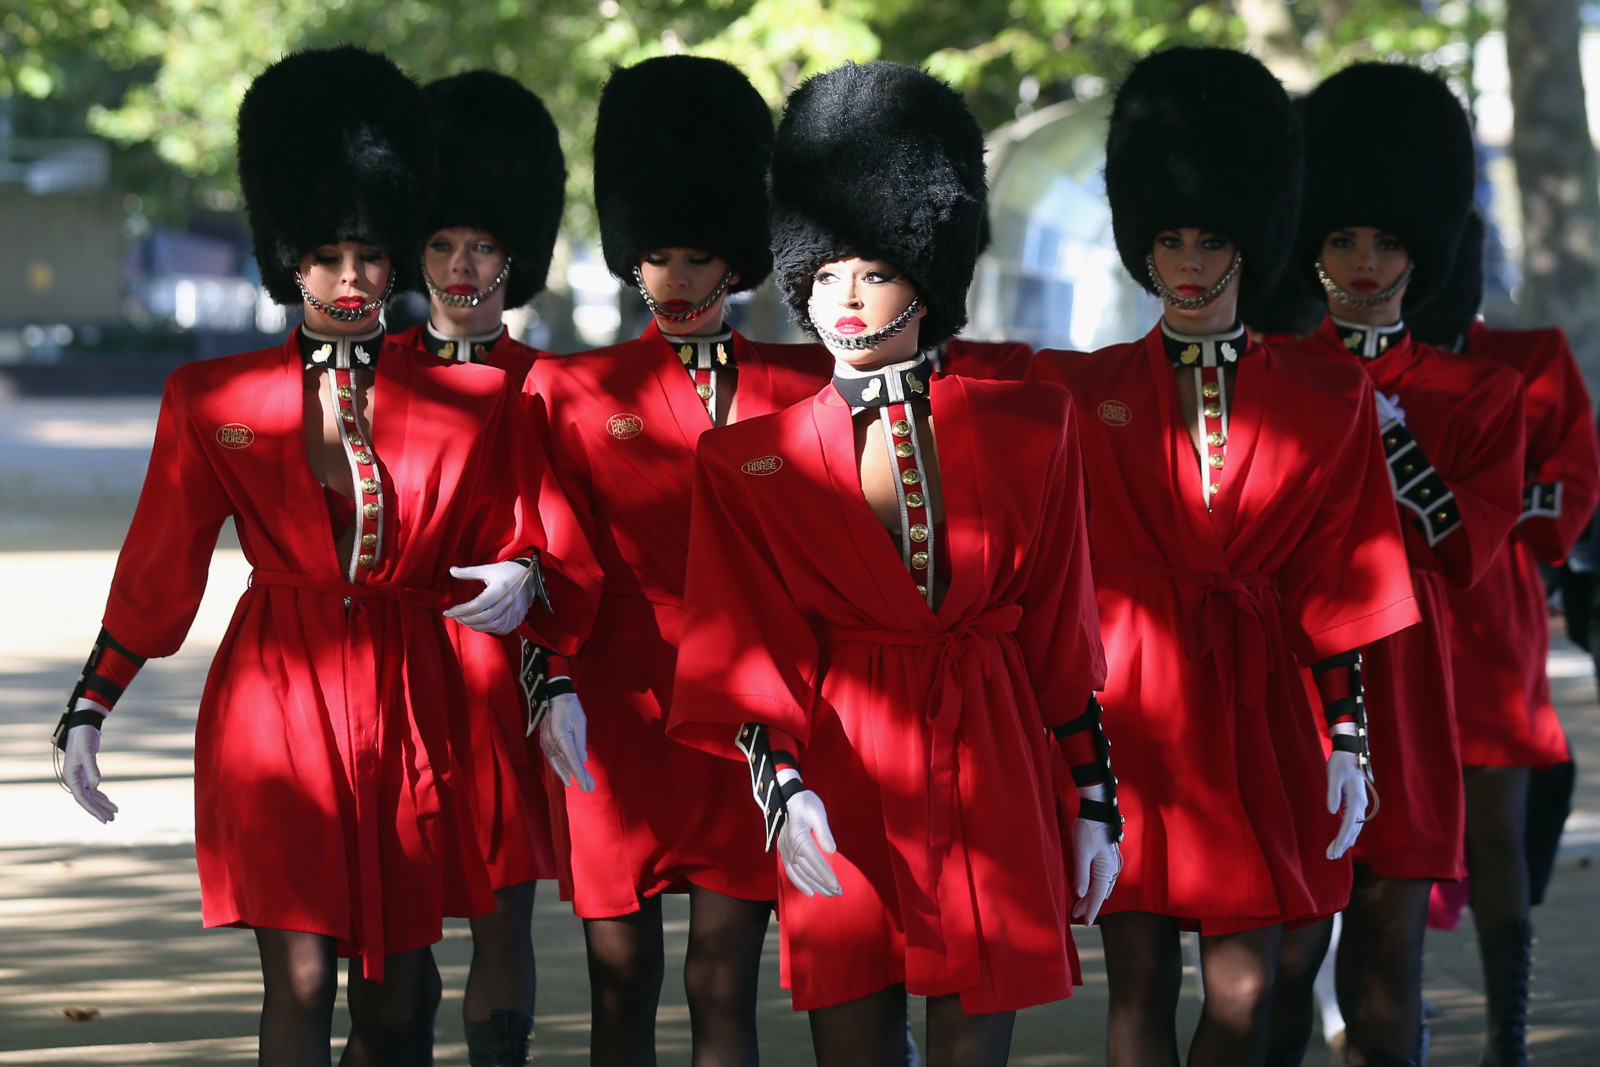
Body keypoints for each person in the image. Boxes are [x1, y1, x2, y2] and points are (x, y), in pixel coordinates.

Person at [51, 47, 588, 1066]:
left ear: (395, 258)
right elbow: (160, 566)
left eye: (370, 255)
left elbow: (528, 532)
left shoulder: (474, 398)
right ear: (287, 258)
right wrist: (91, 702)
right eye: (328, 255)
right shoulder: (208, 397)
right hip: (275, 695)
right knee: (296, 982)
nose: (352, 277)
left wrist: (534, 609)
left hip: (415, 689)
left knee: (395, 1004)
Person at [667, 59, 1118, 1067]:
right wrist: (782, 789)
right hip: (841, 758)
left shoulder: (1033, 425)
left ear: (929, 269)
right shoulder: (743, 459)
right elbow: (743, 644)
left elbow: (1058, 626)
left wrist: (1095, 798)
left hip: (995, 749)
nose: (844, 299)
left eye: (872, 270)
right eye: (822, 275)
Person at [1026, 48, 1421, 1066]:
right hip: (1131, 713)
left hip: (1263, 715)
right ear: (1140, 248)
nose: (1190, 261)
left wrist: (1349, 737)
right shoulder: (1074, 389)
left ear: (1251, 240)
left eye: (1210, 238)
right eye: (1168, 239)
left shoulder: (1325, 399)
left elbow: (1341, 576)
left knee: (1246, 993)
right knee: (1141, 986)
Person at [525, 55, 830, 1067]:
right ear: (628, 259)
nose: (679, 279)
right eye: (656, 256)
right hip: (618, 700)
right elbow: (548, 538)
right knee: (620, 985)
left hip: (749, 701)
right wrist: (549, 677)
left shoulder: (805, 382)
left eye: (700, 256)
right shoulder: (570, 388)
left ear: (738, 258)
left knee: (721, 984)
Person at [1280, 63, 1528, 1067]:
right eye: (1342, 236)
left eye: (1386, 239)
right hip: (1291, 679)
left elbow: (1470, 549)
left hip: (1412, 683)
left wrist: (1394, 444)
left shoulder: (1479, 392)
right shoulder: (1275, 372)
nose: (1368, 259)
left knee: (1386, 956)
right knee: (1282, 958)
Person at [389, 70, 590, 1067]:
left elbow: (582, 528)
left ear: (515, 256)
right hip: (389, 663)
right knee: (397, 920)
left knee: (502, 911)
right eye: (441, 243)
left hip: (501, 674)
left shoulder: (553, 384)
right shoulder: (369, 379)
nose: (462, 264)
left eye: (482, 245)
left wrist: (537, 583)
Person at [1409, 210, 1600, 1067]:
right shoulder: (1355, 368)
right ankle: (1391, 1011)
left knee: (1496, 827)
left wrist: (1476, 515)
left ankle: (1506, 1034)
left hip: (1493, 616)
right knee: (1384, 839)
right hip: (1393, 619)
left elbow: (1570, 486)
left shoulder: (1531, 358)